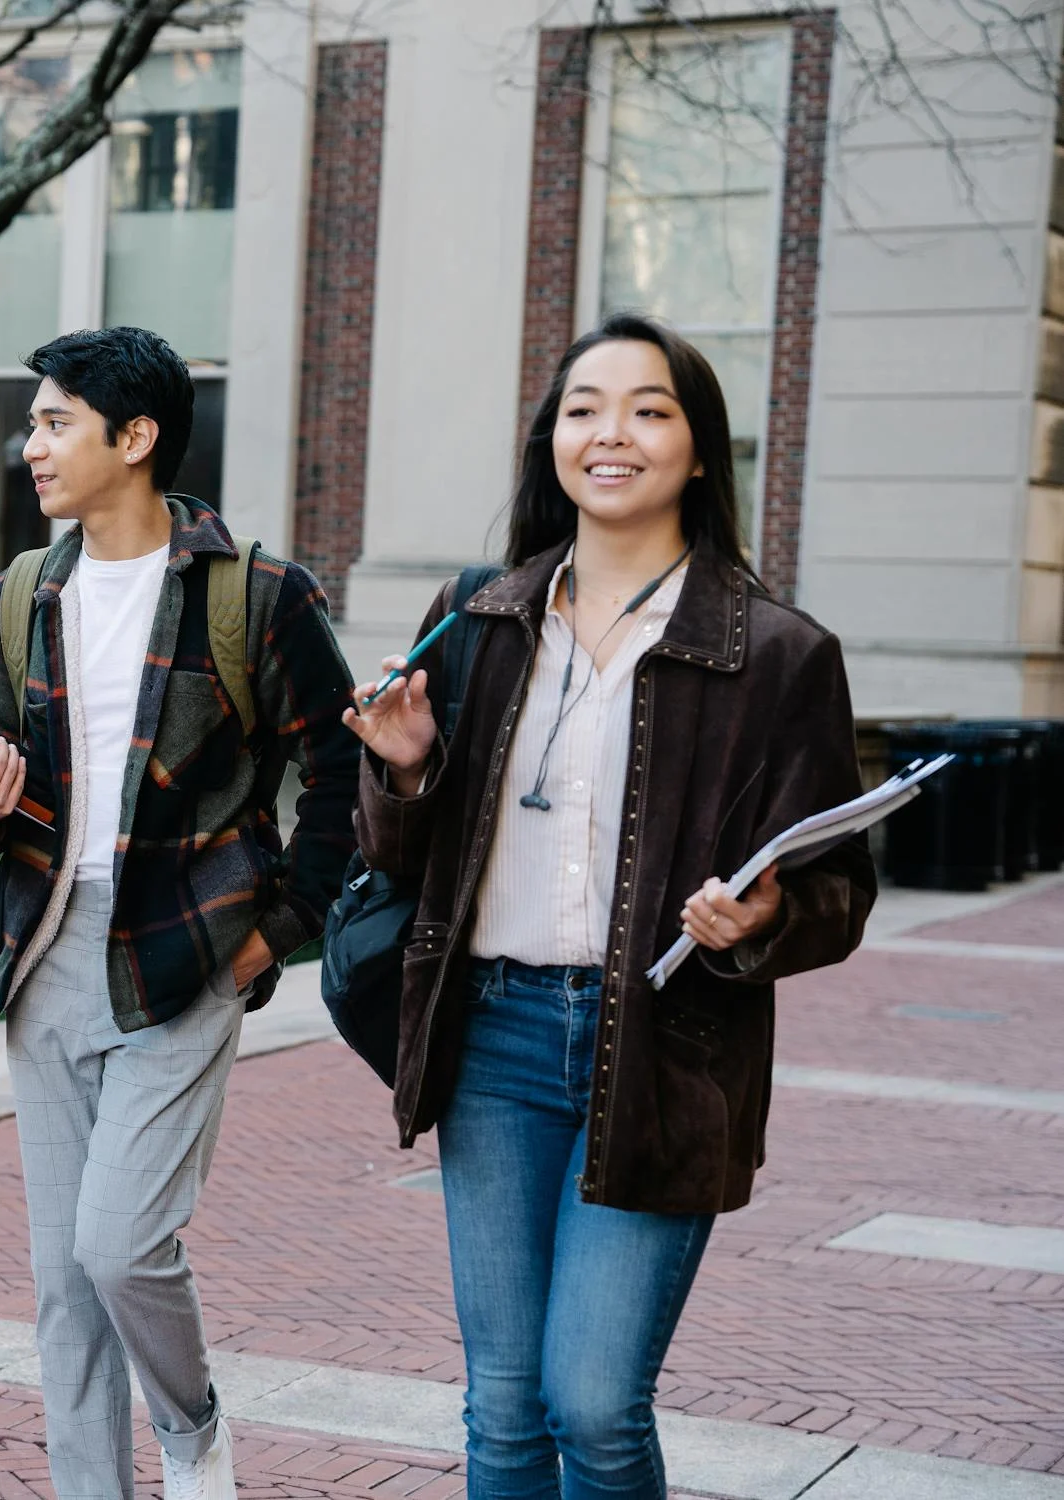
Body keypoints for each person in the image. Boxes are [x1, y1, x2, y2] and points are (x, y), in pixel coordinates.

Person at [343, 312, 875, 1499]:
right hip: (494, 1039)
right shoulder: (480, 619)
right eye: (584, 408)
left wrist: (765, 921)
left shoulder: (779, 653)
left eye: (649, 409)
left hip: (666, 1050)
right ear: (552, 442)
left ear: (697, 448)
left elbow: (841, 888)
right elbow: (397, 853)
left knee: (593, 1401)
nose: (610, 433)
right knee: (507, 1408)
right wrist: (407, 766)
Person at [0, 326, 361, 1500]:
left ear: (136, 438)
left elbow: (343, 774)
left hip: (185, 958)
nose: (30, 446)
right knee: (62, 1287)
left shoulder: (256, 596)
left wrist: (278, 933)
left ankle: (191, 1424)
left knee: (119, 1247)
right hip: (46, 959)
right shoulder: (21, 596)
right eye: (32, 423)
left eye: (54, 422)